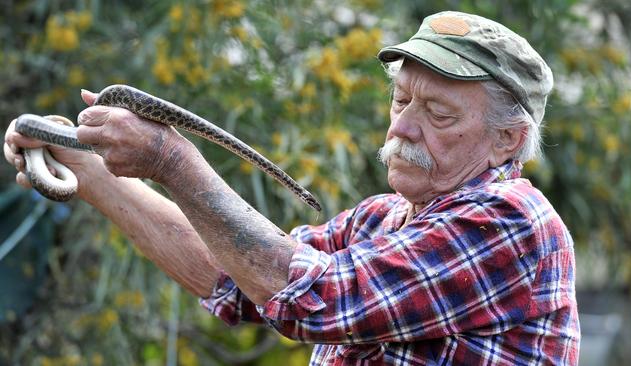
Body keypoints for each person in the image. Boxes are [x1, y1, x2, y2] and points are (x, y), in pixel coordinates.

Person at [4, 11, 579, 365]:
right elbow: (236, 278)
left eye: (439, 113)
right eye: (401, 100)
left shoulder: (510, 221)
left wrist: (173, 160)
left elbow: (317, 298)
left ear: (509, 139)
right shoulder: (385, 220)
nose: (402, 127)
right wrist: (88, 169)